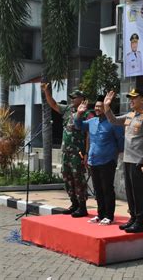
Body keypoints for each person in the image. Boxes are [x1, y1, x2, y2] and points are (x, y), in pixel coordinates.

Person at [104, 88, 143, 233]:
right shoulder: (130, 115)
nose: (131, 100)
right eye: (130, 98)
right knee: (130, 191)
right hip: (127, 159)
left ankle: (140, 221)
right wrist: (107, 106)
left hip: (138, 161)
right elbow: (113, 120)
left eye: (134, 98)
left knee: (139, 191)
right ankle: (133, 217)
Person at [41, 84, 93, 217]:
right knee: (67, 178)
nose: (72, 99)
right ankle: (74, 203)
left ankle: (82, 207)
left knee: (78, 179)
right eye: (71, 97)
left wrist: (87, 153)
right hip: (65, 152)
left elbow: (89, 135)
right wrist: (47, 91)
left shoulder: (88, 114)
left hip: (78, 153)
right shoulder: (68, 109)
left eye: (75, 97)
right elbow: (52, 104)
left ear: (82, 99)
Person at [74, 96, 124, 226]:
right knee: (97, 190)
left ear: (106, 108)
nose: (97, 108)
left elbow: (121, 142)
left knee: (107, 188)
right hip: (93, 161)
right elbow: (78, 125)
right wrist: (79, 113)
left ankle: (109, 216)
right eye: (96, 106)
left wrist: (114, 155)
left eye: (100, 107)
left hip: (108, 161)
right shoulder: (92, 121)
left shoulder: (113, 123)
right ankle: (100, 214)